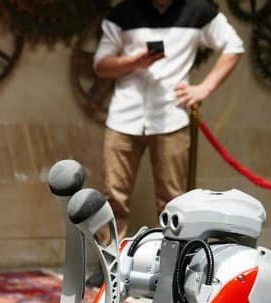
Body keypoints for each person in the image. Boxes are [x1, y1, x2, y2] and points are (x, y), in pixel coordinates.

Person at [95, 0, 243, 239]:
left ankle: (170, 267)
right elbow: (101, 66)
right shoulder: (122, 12)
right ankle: (109, 266)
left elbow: (234, 46)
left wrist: (204, 88)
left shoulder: (198, 11)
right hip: (124, 116)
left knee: (173, 202)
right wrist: (133, 62)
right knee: (113, 197)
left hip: (171, 117)